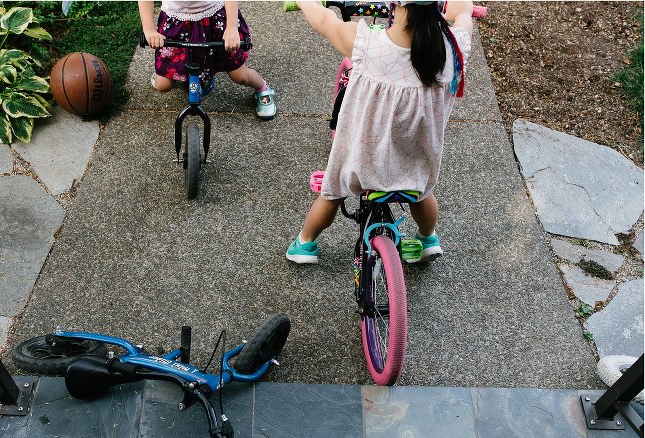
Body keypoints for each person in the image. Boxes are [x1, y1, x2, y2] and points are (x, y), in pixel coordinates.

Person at [285, 0, 473, 265]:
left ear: (394, 5)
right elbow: (464, 18)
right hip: (414, 166)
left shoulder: (367, 45)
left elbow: (325, 22)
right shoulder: (453, 49)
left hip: (363, 167)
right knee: (422, 194)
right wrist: (463, 11)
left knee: (333, 191)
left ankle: (305, 244)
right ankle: (428, 239)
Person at [138, 1, 277, 119]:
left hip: (212, 19)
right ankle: (193, 75)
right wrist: (149, 30)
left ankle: (262, 88)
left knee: (240, 76)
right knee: (163, 85)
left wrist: (232, 27)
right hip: (176, 24)